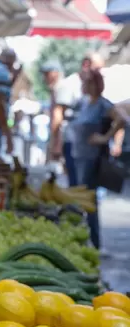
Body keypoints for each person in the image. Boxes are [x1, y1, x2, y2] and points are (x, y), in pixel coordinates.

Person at [70, 69, 124, 249]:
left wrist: (105, 137)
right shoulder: (85, 103)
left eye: (87, 82)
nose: (84, 85)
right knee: (81, 198)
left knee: (89, 201)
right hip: (79, 157)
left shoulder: (102, 104)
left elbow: (122, 119)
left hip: (92, 159)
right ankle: (85, 238)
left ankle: (94, 241)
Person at [41, 60, 83, 186]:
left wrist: (55, 144)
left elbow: (58, 117)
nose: (44, 78)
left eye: (46, 74)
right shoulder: (57, 88)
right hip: (68, 138)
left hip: (70, 138)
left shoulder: (63, 87)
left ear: (55, 73)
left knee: (73, 175)